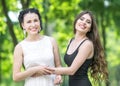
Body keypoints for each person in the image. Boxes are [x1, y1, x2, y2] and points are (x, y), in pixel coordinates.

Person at [46, 11, 108, 86]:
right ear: (76, 22)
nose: (84, 22)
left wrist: (46, 70)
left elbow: (71, 70)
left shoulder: (87, 44)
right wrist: (59, 75)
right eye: (81, 19)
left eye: (88, 22)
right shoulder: (71, 41)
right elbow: (68, 66)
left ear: (89, 29)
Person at [13, 8, 62, 86]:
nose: (33, 25)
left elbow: (58, 66)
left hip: (52, 83)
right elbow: (16, 77)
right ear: (23, 25)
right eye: (29, 22)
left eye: (36, 20)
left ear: (39, 22)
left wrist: (59, 76)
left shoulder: (51, 41)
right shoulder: (20, 47)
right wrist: (35, 69)